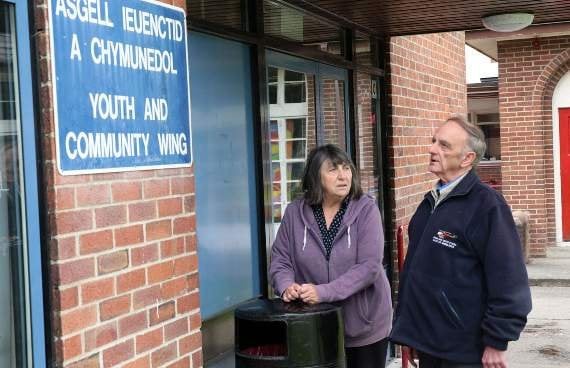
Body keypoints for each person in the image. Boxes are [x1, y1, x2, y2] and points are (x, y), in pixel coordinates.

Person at [390, 115, 532, 368]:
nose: (431, 149)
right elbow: (416, 274)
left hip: (465, 351)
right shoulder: (429, 203)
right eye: (434, 141)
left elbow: (509, 280)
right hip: (429, 343)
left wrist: (497, 341)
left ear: (467, 159)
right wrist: (411, 333)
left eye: (444, 145)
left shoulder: (487, 206)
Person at [269, 144, 392, 368]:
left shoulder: (366, 210)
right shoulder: (295, 212)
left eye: (347, 168)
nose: (343, 176)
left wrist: (323, 292)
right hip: (315, 326)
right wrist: (286, 285)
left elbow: (369, 267)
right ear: (316, 176)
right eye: (333, 170)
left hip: (364, 327)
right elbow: (280, 258)